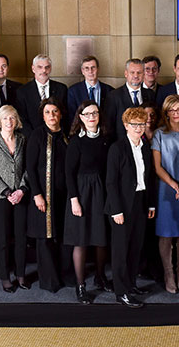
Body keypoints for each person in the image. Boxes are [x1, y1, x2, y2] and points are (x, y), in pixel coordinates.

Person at [106, 107, 157, 308]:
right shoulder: (117, 148)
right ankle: (121, 292)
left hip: (140, 202)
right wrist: (116, 210)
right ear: (126, 125)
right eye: (134, 124)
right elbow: (111, 182)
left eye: (142, 124)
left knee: (136, 247)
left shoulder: (145, 147)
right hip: (121, 206)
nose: (139, 128)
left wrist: (151, 203)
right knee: (121, 250)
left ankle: (131, 284)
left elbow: (149, 177)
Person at [64, 100, 112, 304]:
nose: (92, 117)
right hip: (81, 193)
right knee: (81, 239)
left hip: (102, 191)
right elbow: (69, 173)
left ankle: (100, 277)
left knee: (101, 238)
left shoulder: (106, 139)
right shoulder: (76, 141)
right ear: (81, 118)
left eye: (95, 113)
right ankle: (81, 284)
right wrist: (75, 200)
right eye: (87, 114)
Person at [152, 95, 179, 294]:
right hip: (166, 188)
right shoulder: (159, 134)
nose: (176, 113)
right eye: (172, 110)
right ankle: (168, 274)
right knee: (166, 234)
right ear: (166, 112)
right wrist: (174, 184)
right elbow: (157, 167)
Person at [25, 97, 69, 292]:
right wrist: (37, 195)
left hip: (65, 195)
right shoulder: (37, 135)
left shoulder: (68, 134)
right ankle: (50, 281)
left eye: (55, 111)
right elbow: (30, 168)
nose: (52, 116)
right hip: (44, 195)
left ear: (61, 113)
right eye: (47, 112)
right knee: (46, 238)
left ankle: (65, 276)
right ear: (42, 116)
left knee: (63, 236)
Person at [0, 104, 29, 293]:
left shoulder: (23, 139)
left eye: (12, 118)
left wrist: (21, 190)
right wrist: (7, 193)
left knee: (21, 238)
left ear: (17, 121)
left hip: (20, 196)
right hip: (0, 198)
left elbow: (28, 167)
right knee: (2, 239)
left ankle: (20, 275)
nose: (9, 122)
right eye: (5, 118)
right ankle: (5, 277)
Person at [16, 54, 69, 134]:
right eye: (40, 67)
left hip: (57, 136)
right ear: (33, 68)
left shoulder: (61, 89)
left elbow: (65, 115)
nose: (44, 70)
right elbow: (21, 118)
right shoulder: (22, 91)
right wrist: (34, 138)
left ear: (50, 68)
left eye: (47, 67)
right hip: (32, 138)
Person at [108, 58, 156, 140]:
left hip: (146, 144)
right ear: (126, 74)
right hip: (123, 145)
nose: (136, 76)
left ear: (144, 74)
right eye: (132, 72)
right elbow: (109, 125)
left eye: (139, 72)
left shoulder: (150, 94)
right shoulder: (114, 96)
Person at [66, 56, 115, 127]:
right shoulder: (73, 91)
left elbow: (111, 116)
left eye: (93, 67)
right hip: (82, 133)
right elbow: (72, 116)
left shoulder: (110, 91)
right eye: (87, 68)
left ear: (98, 69)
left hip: (105, 133)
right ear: (82, 71)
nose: (90, 71)